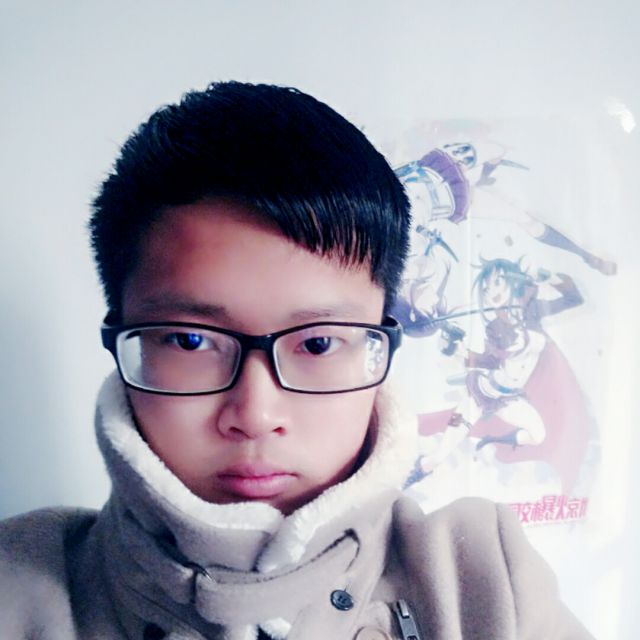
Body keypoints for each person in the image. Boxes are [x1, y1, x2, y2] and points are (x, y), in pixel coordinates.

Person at [0, 82, 593, 639]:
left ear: (380, 342)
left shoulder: (484, 581)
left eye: (318, 343)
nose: (256, 416)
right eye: (189, 341)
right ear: (122, 339)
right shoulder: (19, 587)